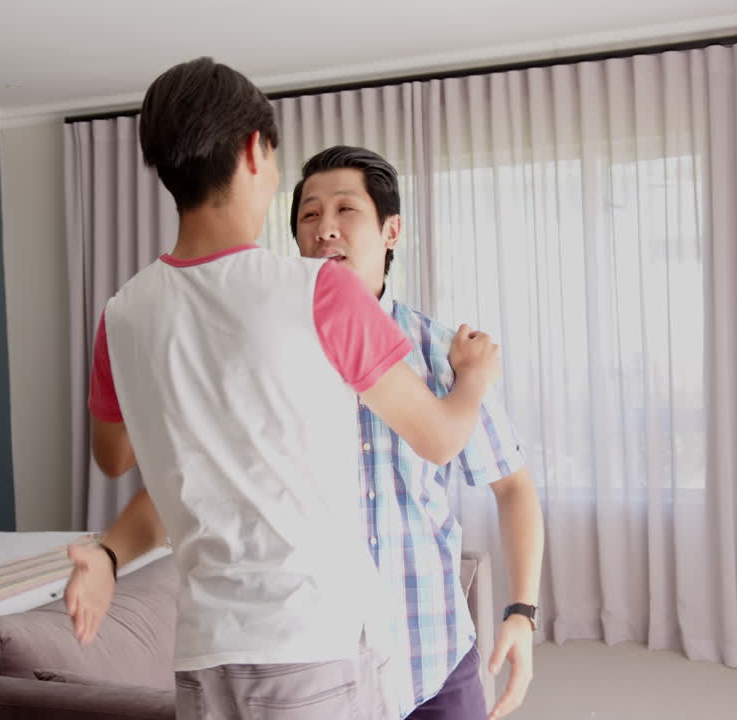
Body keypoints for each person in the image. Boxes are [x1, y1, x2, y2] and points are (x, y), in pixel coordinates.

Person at [63, 58, 503, 720]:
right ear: (253, 151)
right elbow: (439, 439)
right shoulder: (320, 289)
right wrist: (472, 380)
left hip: (205, 654)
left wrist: (106, 552)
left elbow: (114, 456)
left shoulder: (121, 315)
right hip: (315, 643)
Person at [290, 146, 544, 720]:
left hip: (434, 659)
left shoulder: (445, 353)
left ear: (391, 231)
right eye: (309, 215)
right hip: (317, 666)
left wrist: (521, 613)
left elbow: (513, 487)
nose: (325, 229)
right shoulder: (277, 353)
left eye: (345, 210)